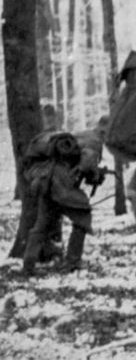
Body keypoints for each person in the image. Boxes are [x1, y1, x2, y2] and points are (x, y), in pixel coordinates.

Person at [20, 117, 108, 275]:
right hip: (61, 182)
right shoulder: (94, 140)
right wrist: (96, 176)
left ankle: (28, 264)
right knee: (83, 218)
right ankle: (72, 263)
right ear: (104, 130)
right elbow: (86, 163)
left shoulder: (83, 134)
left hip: (46, 179)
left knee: (42, 224)